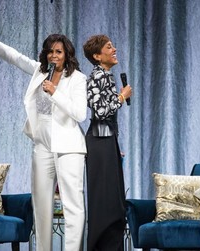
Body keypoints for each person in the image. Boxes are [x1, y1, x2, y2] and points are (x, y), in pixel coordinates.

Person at [0, 17, 87, 251]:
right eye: (50, 51)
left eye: (59, 52)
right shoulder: (39, 72)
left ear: (67, 54)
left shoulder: (78, 79)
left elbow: (79, 114)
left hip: (69, 149)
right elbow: (14, 56)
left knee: (73, 207)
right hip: (41, 147)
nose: (54, 55)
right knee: (41, 207)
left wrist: (55, 92)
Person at [83, 35, 132, 251]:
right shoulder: (98, 76)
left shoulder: (106, 75)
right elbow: (100, 110)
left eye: (113, 45)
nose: (114, 49)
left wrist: (114, 147)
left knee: (113, 202)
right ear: (97, 56)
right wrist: (121, 97)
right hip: (99, 143)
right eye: (109, 47)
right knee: (106, 203)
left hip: (106, 142)